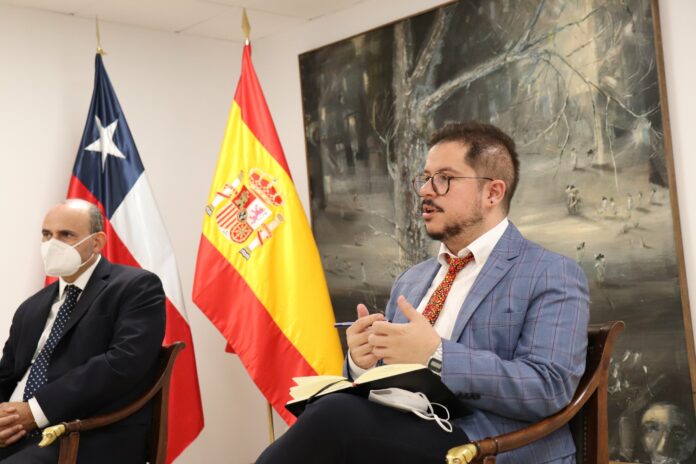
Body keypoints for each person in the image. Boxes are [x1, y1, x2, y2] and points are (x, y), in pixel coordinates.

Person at [256, 121, 590, 463]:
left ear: (493, 193)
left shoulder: (550, 273)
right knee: (329, 408)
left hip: (486, 445)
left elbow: (549, 387)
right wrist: (361, 362)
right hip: (403, 435)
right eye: (426, 178)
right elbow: (388, 382)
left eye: (444, 178)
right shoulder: (411, 281)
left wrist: (436, 355)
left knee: (335, 416)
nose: (426, 191)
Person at [0, 199, 166, 463]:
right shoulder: (31, 307)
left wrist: (35, 411)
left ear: (97, 242)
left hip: (87, 435)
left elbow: (122, 364)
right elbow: (7, 375)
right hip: (16, 432)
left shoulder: (136, 287)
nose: (52, 244)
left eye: (66, 235)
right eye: (47, 234)